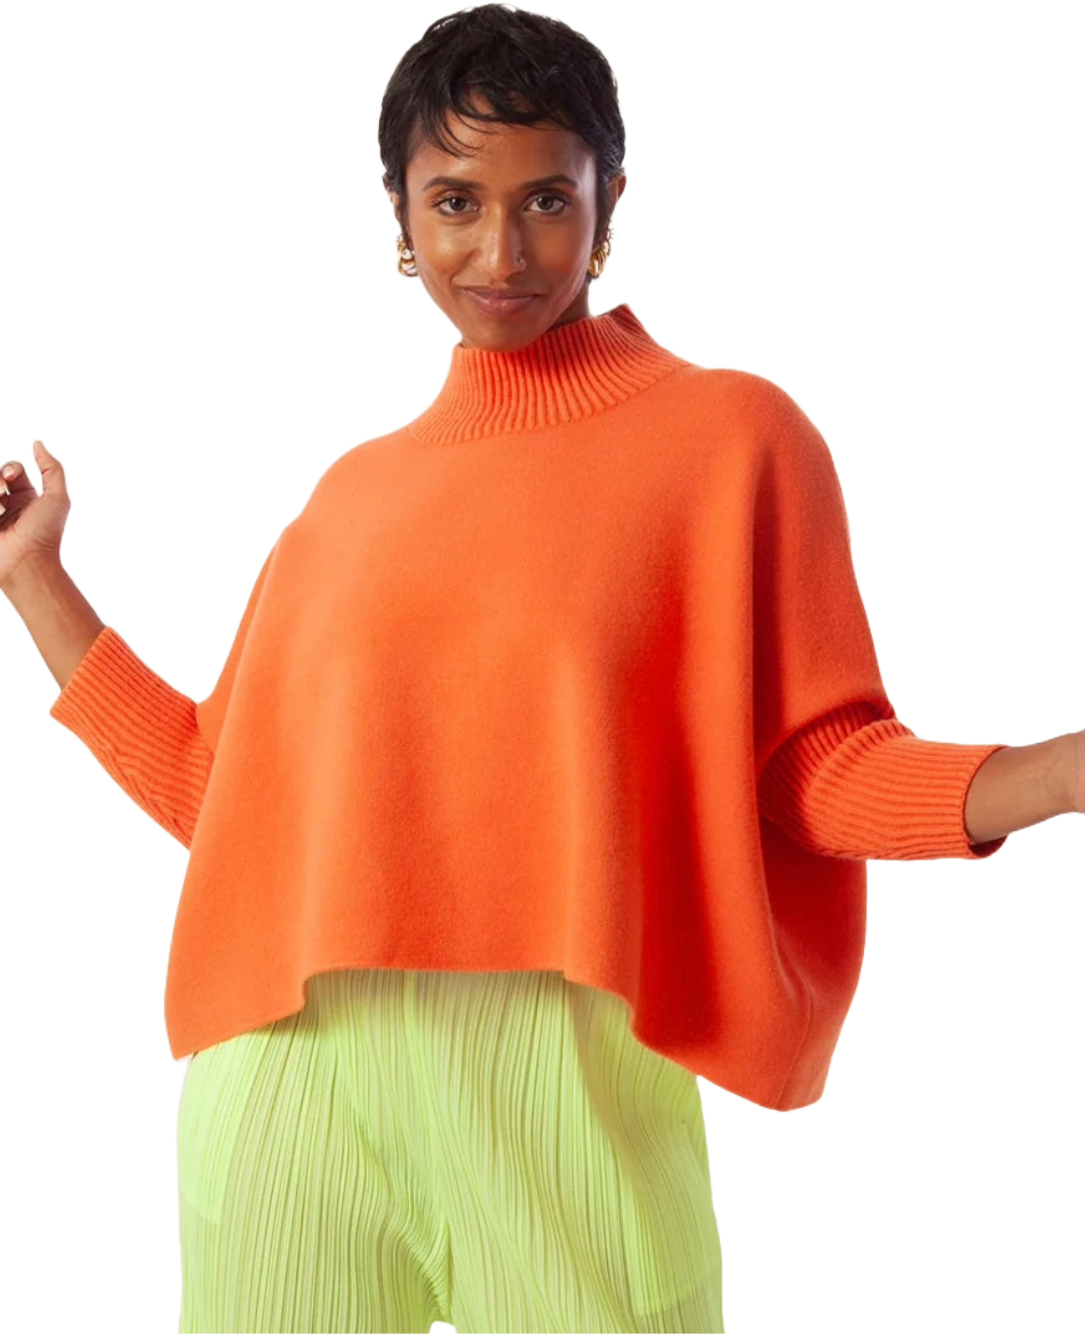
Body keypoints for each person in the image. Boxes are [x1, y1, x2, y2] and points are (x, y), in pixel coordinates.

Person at [1, 5, 1081, 1333]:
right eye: (456, 202)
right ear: (401, 220)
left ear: (609, 205)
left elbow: (810, 767)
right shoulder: (349, 497)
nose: (501, 253)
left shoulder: (733, 439)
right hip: (280, 1070)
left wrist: (1054, 775)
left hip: (562, 1065)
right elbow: (221, 798)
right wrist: (36, 582)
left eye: (546, 202)